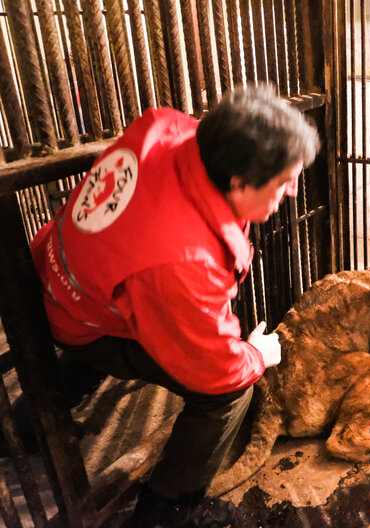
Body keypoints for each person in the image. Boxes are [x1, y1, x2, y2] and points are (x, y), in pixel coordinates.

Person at [28, 85, 319, 527]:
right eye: (283, 181)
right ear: (238, 183)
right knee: (229, 392)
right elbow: (216, 368)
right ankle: (168, 509)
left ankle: (26, 424)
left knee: (108, 319)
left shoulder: (167, 127)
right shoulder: (183, 263)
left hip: (61, 273)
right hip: (84, 316)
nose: (294, 191)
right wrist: (257, 355)